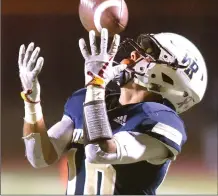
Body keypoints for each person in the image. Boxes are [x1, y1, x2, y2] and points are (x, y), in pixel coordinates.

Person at [19, 28, 207, 195]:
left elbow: (100, 152)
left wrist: (96, 86)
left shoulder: (160, 119)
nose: (134, 54)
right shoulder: (86, 99)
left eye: (148, 54)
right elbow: (40, 157)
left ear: (168, 77)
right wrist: (32, 102)